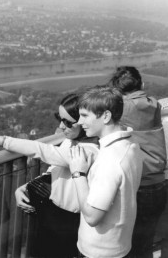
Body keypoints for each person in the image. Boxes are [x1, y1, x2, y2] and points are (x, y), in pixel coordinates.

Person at [0, 93, 99, 258]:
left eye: (67, 122)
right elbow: (55, 170)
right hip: (54, 213)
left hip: (69, 221)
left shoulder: (89, 150)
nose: (61, 126)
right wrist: (26, 187)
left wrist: (1, 140)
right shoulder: (72, 141)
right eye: (59, 118)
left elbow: (44, 151)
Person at [67, 86, 143, 258]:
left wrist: (78, 173)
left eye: (85, 115)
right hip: (118, 244)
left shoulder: (110, 161)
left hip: (98, 252)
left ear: (106, 116)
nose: (79, 122)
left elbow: (92, 217)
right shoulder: (131, 143)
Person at [109, 66, 167, 257]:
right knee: (146, 241)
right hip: (158, 183)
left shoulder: (121, 109)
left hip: (138, 185)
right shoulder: (154, 105)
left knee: (127, 243)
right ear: (141, 84)